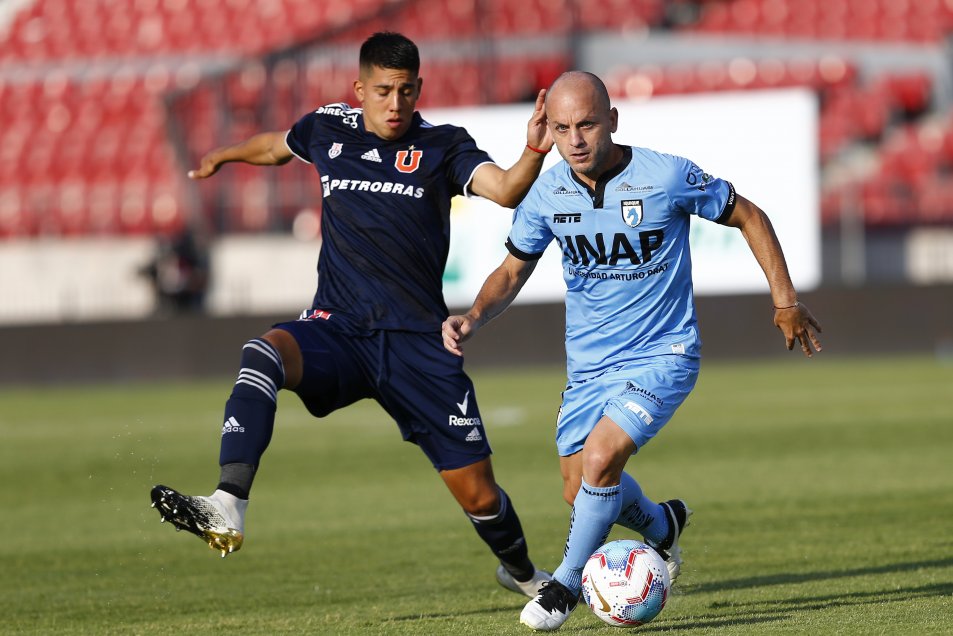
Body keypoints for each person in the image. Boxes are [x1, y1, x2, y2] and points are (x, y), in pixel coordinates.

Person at [149, 31, 555, 598]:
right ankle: (228, 501)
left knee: (479, 494)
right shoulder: (327, 127)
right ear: (360, 90)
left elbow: (507, 190)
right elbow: (275, 147)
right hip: (337, 328)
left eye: (406, 91)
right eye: (384, 91)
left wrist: (534, 151)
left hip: (417, 343)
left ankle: (524, 575)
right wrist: (225, 155)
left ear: (419, 89)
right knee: (263, 354)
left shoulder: (443, 145)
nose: (396, 104)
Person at [442, 71, 823, 631]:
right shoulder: (547, 192)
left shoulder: (664, 176)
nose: (575, 140)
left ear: (613, 121)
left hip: (664, 353)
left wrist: (785, 300)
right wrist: (474, 316)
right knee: (579, 489)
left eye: (587, 125)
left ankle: (563, 587)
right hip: (588, 366)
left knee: (601, 461)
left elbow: (749, 216)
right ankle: (663, 526)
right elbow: (511, 270)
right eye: (562, 128)